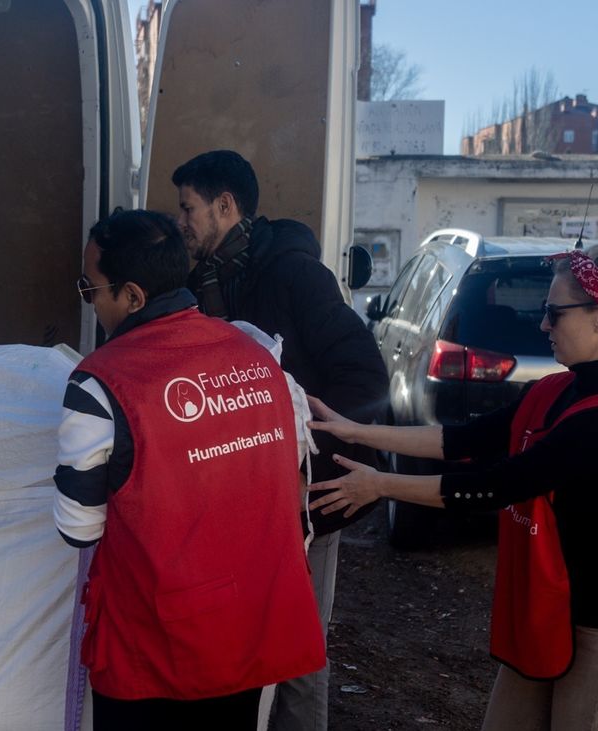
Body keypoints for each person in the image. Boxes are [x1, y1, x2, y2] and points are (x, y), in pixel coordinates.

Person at [306, 223, 598, 730]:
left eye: (553, 313)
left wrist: (379, 484)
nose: (543, 325)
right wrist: (357, 431)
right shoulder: (556, 390)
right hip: (547, 612)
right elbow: (460, 440)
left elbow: (499, 484)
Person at [53, 210, 325, 730]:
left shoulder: (100, 382)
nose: (88, 299)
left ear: (132, 296)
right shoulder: (258, 356)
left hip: (159, 644)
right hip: (255, 624)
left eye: (90, 287)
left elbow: (78, 528)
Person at [171, 150, 388, 730]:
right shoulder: (205, 282)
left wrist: (311, 469)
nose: (182, 221)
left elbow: (365, 378)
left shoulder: (294, 275)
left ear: (224, 205)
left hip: (309, 501)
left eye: (188, 208)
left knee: (296, 653)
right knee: (245, 640)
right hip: (242, 496)